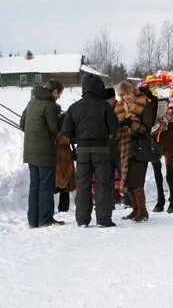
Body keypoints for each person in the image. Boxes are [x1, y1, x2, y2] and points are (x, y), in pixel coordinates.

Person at [61, 75, 119, 227]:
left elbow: (66, 131)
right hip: (102, 151)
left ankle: (82, 219)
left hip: (82, 152)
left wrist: (77, 138)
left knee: (83, 185)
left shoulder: (74, 108)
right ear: (99, 88)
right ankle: (103, 219)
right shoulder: (105, 106)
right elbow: (115, 130)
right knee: (103, 184)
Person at [20, 79, 65, 228]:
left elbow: (22, 124)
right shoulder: (50, 105)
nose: (59, 97)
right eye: (59, 94)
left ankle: (33, 220)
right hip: (44, 153)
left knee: (35, 186)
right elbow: (55, 129)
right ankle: (45, 219)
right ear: (55, 91)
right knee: (46, 185)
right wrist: (61, 118)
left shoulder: (31, 102)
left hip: (30, 152)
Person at [114, 81, 154, 223]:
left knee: (137, 179)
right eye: (123, 95)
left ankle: (143, 211)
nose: (126, 97)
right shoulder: (119, 107)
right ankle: (136, 209)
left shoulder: (144, 105)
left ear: (134, 92)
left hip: (139, 147)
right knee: (129, 180)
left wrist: (132, 125)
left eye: (128, 94)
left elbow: (147, 128)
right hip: (124, 147)